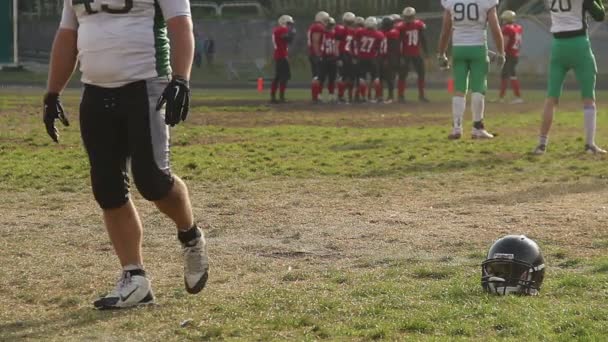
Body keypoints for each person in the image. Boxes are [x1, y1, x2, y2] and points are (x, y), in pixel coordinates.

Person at [43, 0, 209, 310]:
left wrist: (181, 80)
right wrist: (52, 93)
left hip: (145, 85)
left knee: (153, 181)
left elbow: (180, 25)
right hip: (95, 90)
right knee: (107, 188)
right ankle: (135, 278)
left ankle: (190, 237)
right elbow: (67, 35)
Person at [533, 0, 605, 155]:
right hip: (579, 45)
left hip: (558, 46)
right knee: (588, 97)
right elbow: (599, 15)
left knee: (551, 97)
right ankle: (589, 144)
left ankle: (541, 144)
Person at [438, 0, 505, 140]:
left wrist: (442, 53)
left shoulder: (451, 2)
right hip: (478, 47)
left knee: (458, 88)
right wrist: (501, 52)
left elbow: (445, 30)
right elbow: (495, 28)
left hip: (458, 48)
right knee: (478, 87)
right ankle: (477, 128)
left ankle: (456, 128)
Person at [398, 7, 429, 103]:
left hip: (414, 53)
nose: (408, 19)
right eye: (407, 17)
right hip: (407, 54)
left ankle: (421, 95)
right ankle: (401, 96)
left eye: (410, 17)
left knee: (421, 74)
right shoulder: (401, 27)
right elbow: (398, 42)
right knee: (403, 75)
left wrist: (426, 52)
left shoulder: (417, 25)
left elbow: (423, 39)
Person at [354, 17, 384, 103]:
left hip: (361, 57)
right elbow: (379, 48)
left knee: (362, 78)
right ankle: (378, 96)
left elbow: (356, 41)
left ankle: (363, 97)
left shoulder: (359, 32)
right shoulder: (379, 34)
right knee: (376, 78)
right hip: (372, 58)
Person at [497, 10, 524, 104]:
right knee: (509, 75)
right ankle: (502, 97)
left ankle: (515, 97)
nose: (503, 21)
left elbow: (505, 42)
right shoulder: (518, 27)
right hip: (515, 54)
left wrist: (500, 53)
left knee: (507, 76)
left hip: (509, 55)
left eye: (504, 19)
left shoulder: (507, 28)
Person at [271, 15, 296, 104]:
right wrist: (292, 34)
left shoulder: (277, 30)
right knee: (284, 77)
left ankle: (273, 97)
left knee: (278, 77)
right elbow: (288, 39)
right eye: (289, 24)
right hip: (281, 56)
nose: (290, 26)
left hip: (279, 55)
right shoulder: (281, 29)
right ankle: (281, 97)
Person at [334, 12, 357, 104]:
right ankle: (349, 97)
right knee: (350, 77)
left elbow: (337, 44)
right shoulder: (353, 31)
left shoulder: (341, 29)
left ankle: (341, 96)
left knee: (343, 76)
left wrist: (337, 57)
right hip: (349, 55)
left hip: (343, 54)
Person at [308, 11, 330, 103]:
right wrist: (318, 54)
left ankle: (315, 96)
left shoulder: (314, 26)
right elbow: (315, 41)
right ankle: (315, 97)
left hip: (313, 53)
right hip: (315, 54)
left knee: (317, 76)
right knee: (317, 76)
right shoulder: (318, 27)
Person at [380, 17, 401, 104]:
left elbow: (394, 48)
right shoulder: (385, 33)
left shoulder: (392, 33)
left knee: (389, 78)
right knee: (382, 78)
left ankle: (390, 96)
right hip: (384, 57)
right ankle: (381, 96)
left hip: (389, 58)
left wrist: (388, 59)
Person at [319, 17, 339, 103]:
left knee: (332, 78)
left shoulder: (335, 33)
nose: (330, 27)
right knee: (322, 78)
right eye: (329, 25)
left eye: (331, 25)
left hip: (332, 58)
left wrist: (337, 56)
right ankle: (319, 95)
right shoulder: (322, 33)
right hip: (324, 57)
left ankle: (331, 95)